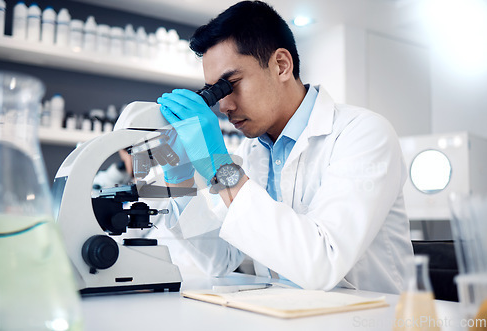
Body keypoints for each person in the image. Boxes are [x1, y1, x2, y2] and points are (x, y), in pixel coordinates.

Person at [156, 0, 414, 294]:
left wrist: (219, 166)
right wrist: (179, 183)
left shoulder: (364, 134)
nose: (224, 105)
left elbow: (322, 263)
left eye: (231, 83)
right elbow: (221, 260)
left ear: (281, 65)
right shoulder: (255, 152)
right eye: (215, 92)